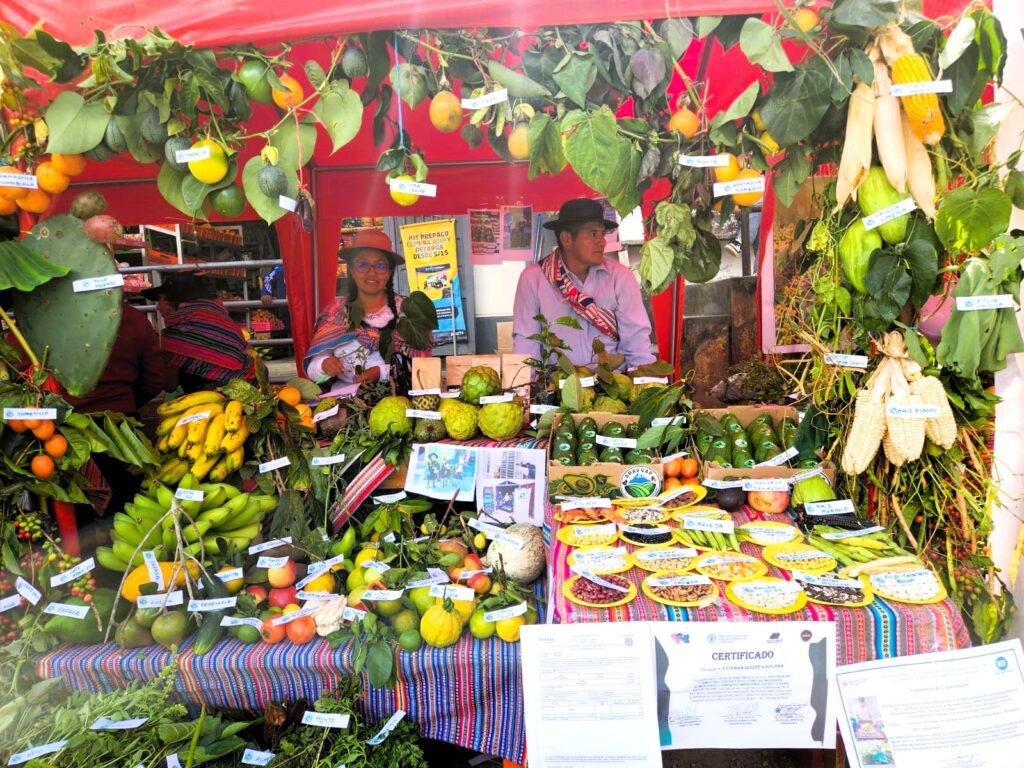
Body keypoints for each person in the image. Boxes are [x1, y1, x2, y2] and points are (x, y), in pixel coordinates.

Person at [512, 198, 655, 369]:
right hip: (558, 388)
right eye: (593, 234)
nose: (602, 241)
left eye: (603, 234)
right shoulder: (533, 279)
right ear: (566, 239)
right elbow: (527, 345)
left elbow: (637, 345)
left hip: (613, 388)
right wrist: (526, 390)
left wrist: (645, 387)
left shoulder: (620, 278)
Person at [304, 229, 432, 391]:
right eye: (362, 264)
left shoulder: (407, 311)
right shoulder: (336, 311)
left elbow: (424, 365)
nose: (371, 272)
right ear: (351, 270)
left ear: (389, 272)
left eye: (380, 265)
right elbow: (313, 370)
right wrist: (324, 364)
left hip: (398, 396)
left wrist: (381, 372)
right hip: (344, 402)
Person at [143, 274, 256, 392]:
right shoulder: (220, 321)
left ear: (180, 305)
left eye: (161, 300)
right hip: (251, 386)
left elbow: (170, 385)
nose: (158, 307)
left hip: (218, 398)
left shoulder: (178, 336)